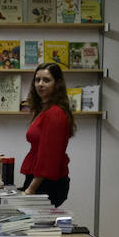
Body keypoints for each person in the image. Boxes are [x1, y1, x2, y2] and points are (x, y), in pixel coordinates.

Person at [20, 62, 74, 206]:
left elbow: (48, 158)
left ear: (57, 84)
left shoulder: (54, 113)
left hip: (46, 183)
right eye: (37, 80)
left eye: (46, 80)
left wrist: (31, 189)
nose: (40, 84)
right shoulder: (43, 110)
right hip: (39, 180)